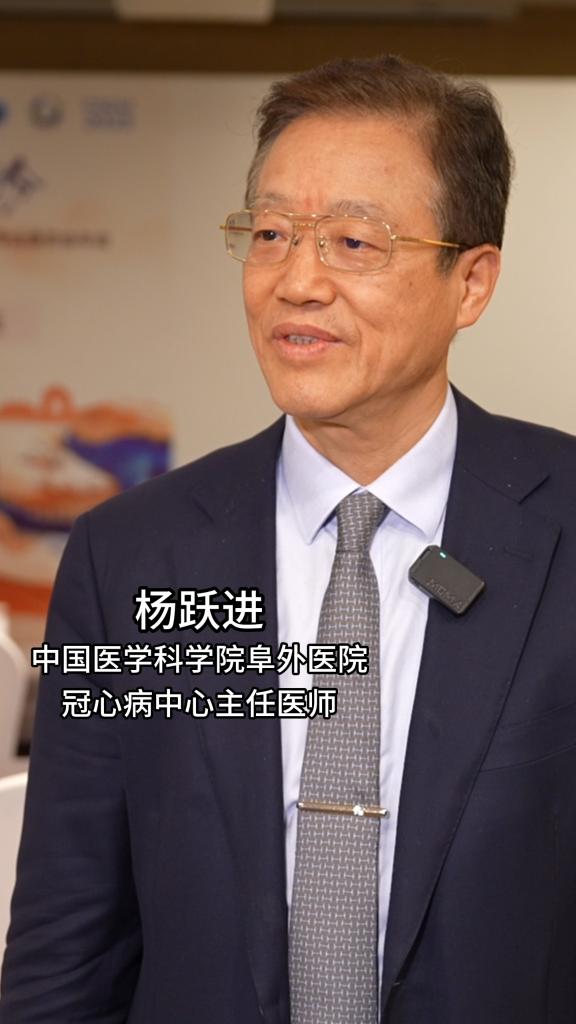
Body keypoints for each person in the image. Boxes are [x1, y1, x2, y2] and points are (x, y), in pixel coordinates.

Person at [1, 54, 576, 1024]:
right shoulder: (127, 558)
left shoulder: (562, 530)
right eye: (270, 234)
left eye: (354, 241)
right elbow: (67, 944)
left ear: (471, 281)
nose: (298, 281)